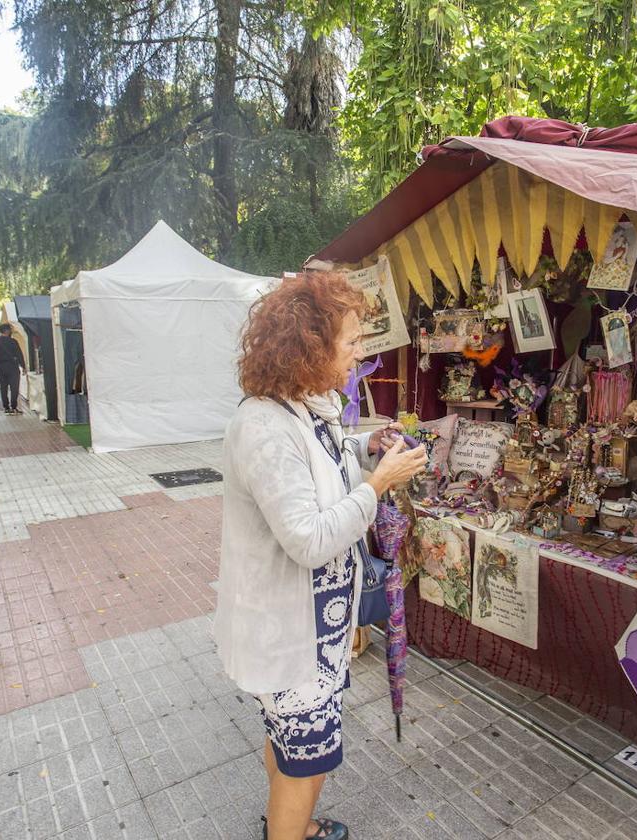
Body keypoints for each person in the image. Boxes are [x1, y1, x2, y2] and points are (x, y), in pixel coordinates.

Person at [214, 272, 427, 840]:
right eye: (352, 341)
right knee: (308, 756)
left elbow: (324, 462)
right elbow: (307, 537)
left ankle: (295, 824)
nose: (360, 353)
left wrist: (366, 448)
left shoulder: (307, 405)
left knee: (291, 743)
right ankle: (288, 830)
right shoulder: (264, 426)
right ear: (311, 345)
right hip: (291, 632)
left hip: (315, 627)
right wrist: (377, 485)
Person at [0, 324, 26, 415]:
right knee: (14, 387)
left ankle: (6, 407)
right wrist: (23, 366)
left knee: (3, 387)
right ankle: (14, 406)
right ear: (7, 331)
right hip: (12, 366)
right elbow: (19, 354)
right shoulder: (13, 341)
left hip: (1, 367)